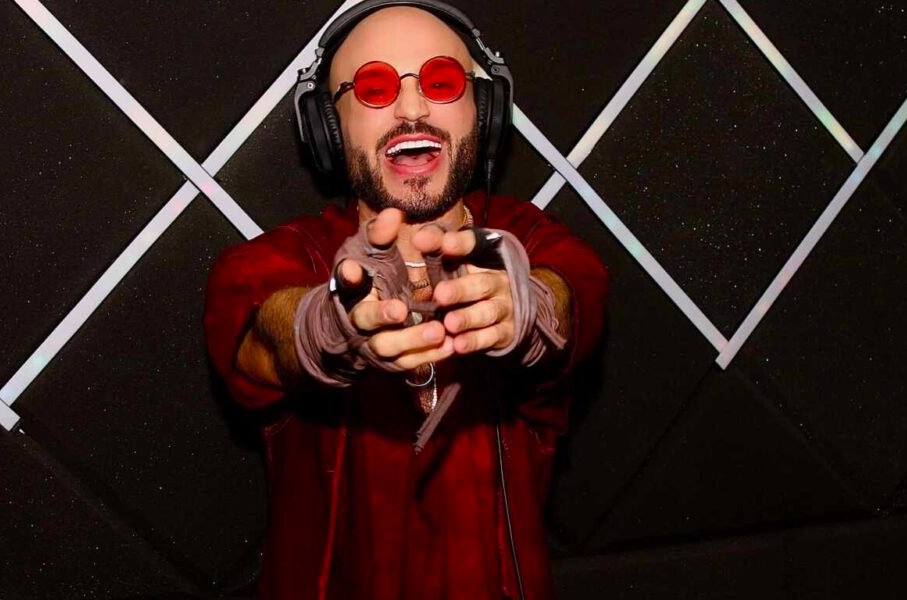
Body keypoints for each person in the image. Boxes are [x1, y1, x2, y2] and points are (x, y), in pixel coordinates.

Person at [204, 2, 608, 598]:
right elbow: (265, 333)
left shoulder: (540, 245)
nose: (412, 108)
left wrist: (528, 307)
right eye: (374, 88)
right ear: (328, 127)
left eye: (441, 82)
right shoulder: (273, 261)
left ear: (486, 111)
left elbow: (571, 293)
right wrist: (327, 326)